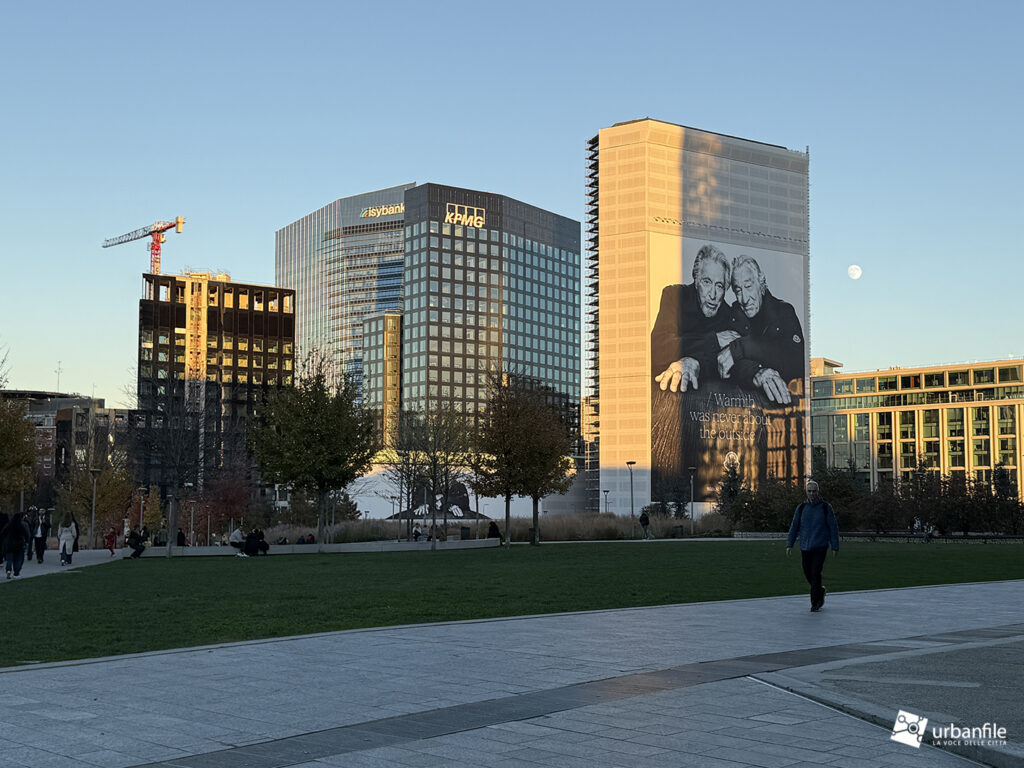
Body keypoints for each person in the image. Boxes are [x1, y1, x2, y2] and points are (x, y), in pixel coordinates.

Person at [651, 244, 741, 393]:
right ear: (696, 280)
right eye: (707, 282)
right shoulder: (674, 296)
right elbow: (658, 349)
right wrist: (714, 340)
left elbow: (727, 364)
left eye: (719, 286)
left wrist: (695, 362)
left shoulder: (729, 315)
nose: (713, 295)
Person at [716, 255, 805, 405]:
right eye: (738, 290)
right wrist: (756, 372)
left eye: (748, 287)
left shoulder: (783, 311)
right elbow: (729, 366)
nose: (744, 299)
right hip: (749, 405)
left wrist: (742, 347)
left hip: (788, 403)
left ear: (761, 282)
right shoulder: (735, 316)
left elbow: (796, 360)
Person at [786, 480, 840, 612]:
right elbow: (794, 526)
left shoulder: (825, 508)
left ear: (818, 492)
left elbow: (833, 527)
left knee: (815, 572)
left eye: (814, 491)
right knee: (807, 572)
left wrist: (835, 546)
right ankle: (820, 590)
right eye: (809, 491)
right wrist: (789, 544)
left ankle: (815, 602)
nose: (812, 494)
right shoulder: (801, 508)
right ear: (806, 492)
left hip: (820, 545)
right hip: (805, 546)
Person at [2, 512, 32, 579]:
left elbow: (3, 533)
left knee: (9, 559)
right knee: (18, 559)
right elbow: (26, 535)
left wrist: (5, 541)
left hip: (9, 545)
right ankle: (16, 573)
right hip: (19, 545)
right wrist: (27, 541)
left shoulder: (9, 525)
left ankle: (8, 570)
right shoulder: (21, 526)